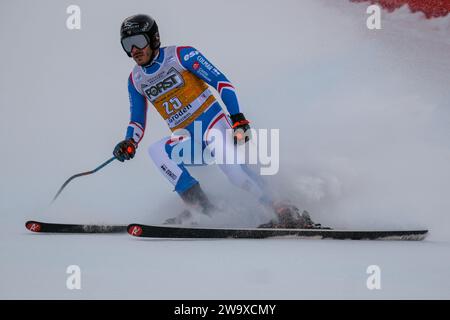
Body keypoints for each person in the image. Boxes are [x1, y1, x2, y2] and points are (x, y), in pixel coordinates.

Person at [113, 14, 317, 228]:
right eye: (127, 44)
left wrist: (238, 118)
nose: (134, 50)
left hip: (213, 126)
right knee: (157, 151)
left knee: (233, 172)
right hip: (189, 140)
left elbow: (222, 84)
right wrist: (129, 142)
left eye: (138, 41)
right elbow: (136, 121)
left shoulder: (181, 55)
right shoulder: (136, 79)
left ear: (154, 39)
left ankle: (280, 206)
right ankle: (202, 208)